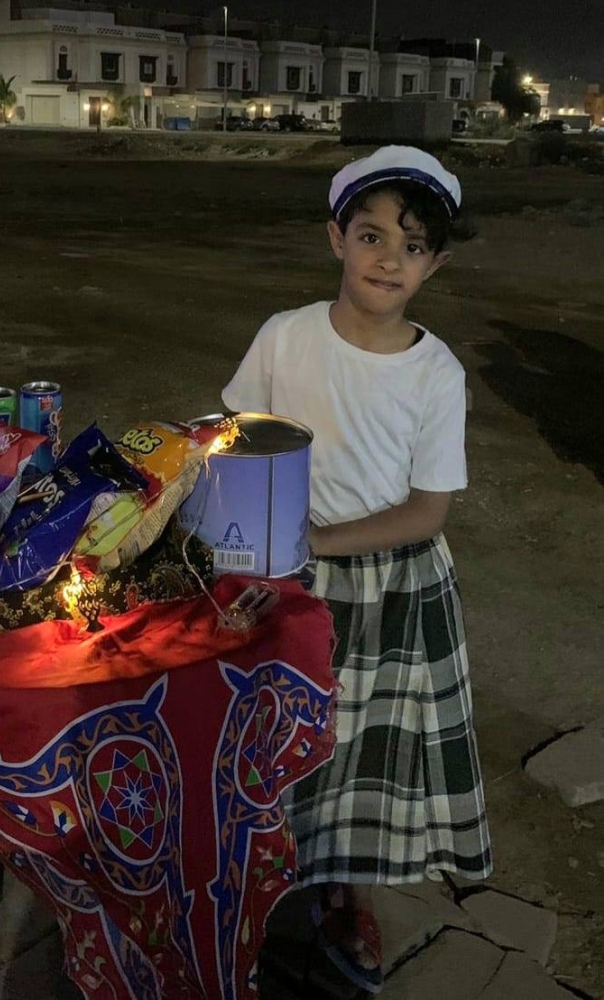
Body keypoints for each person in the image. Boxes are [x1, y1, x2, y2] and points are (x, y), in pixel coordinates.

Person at [221, 146, 492, 994]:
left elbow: (427, 511)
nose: (388, 259)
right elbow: (237, 440)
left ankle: (347, 895)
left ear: (434, 265)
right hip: (282, 573)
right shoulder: (285, 336)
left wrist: (315, 544)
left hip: (391, 587)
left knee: (362, 752)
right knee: (272, 738)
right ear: (336, 237)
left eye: (412, 246)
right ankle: (255, 887)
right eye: (371, 235)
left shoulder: (435, 373)